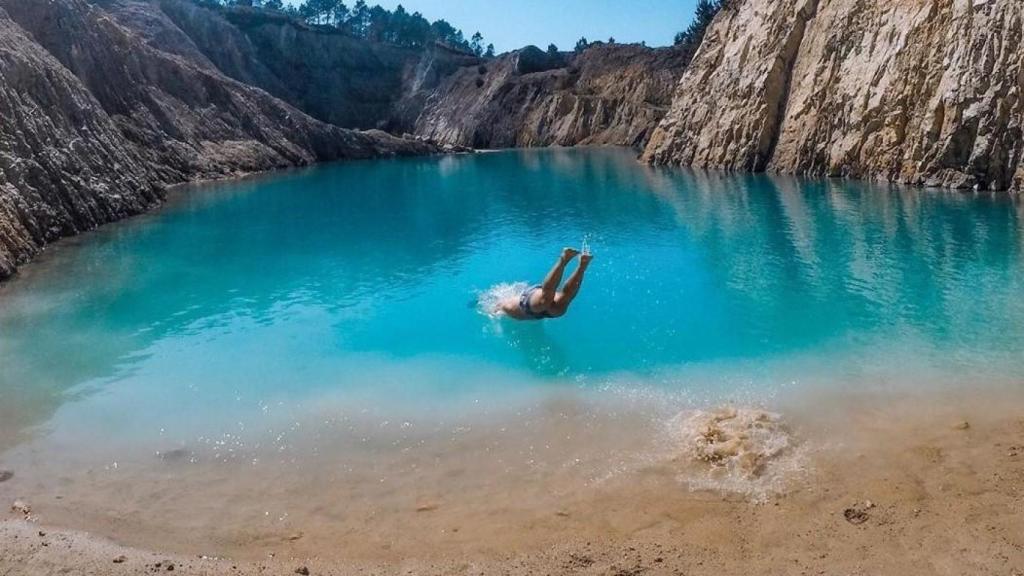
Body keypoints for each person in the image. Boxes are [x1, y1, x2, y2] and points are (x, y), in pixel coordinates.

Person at [499, 247, 593, 320]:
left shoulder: (502, 306)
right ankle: (582, 265)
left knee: (545, 300)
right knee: (562, 303)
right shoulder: (507, 304)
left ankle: (564, 258)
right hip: (542, 314)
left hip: (527, 304)